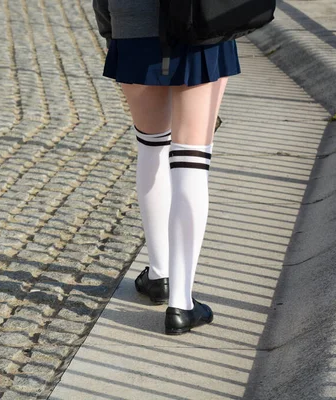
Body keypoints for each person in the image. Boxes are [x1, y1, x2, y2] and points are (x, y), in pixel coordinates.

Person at [92, 0, 241, 335]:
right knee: (192, 159)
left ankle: (159, 274)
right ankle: (181, 303)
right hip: (200, 25)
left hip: (131, 26)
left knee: (151, 145)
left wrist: (113, 30)